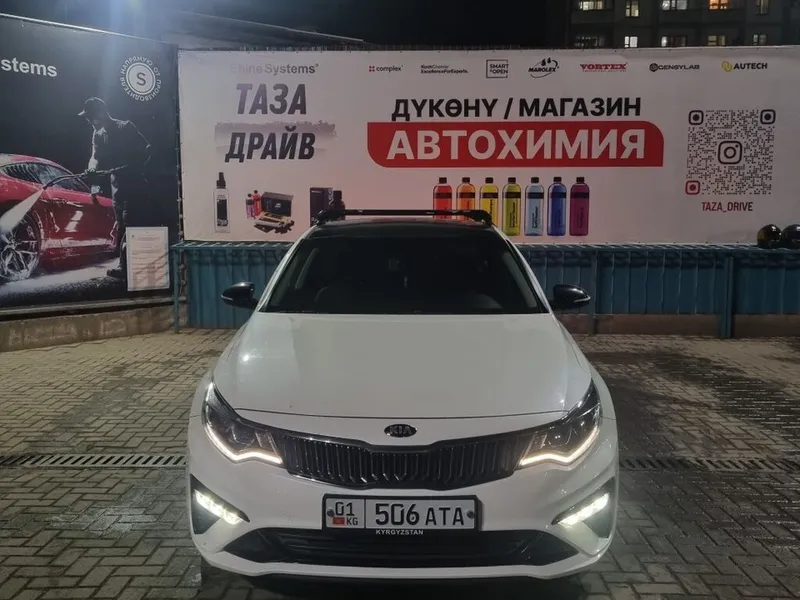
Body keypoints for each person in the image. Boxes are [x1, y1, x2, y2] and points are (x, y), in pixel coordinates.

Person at [79, 97, 152, 280]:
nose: (89, 121)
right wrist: (92, 168)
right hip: (117, 188)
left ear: (102, 113)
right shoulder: (98, 135)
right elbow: (95, 156)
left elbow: (147, 149)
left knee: (129, 224)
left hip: (134, 185)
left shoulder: (125, 127)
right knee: (121, 225)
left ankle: (126, 267)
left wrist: (134, 166)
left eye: (90, 117)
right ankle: (128, 266)